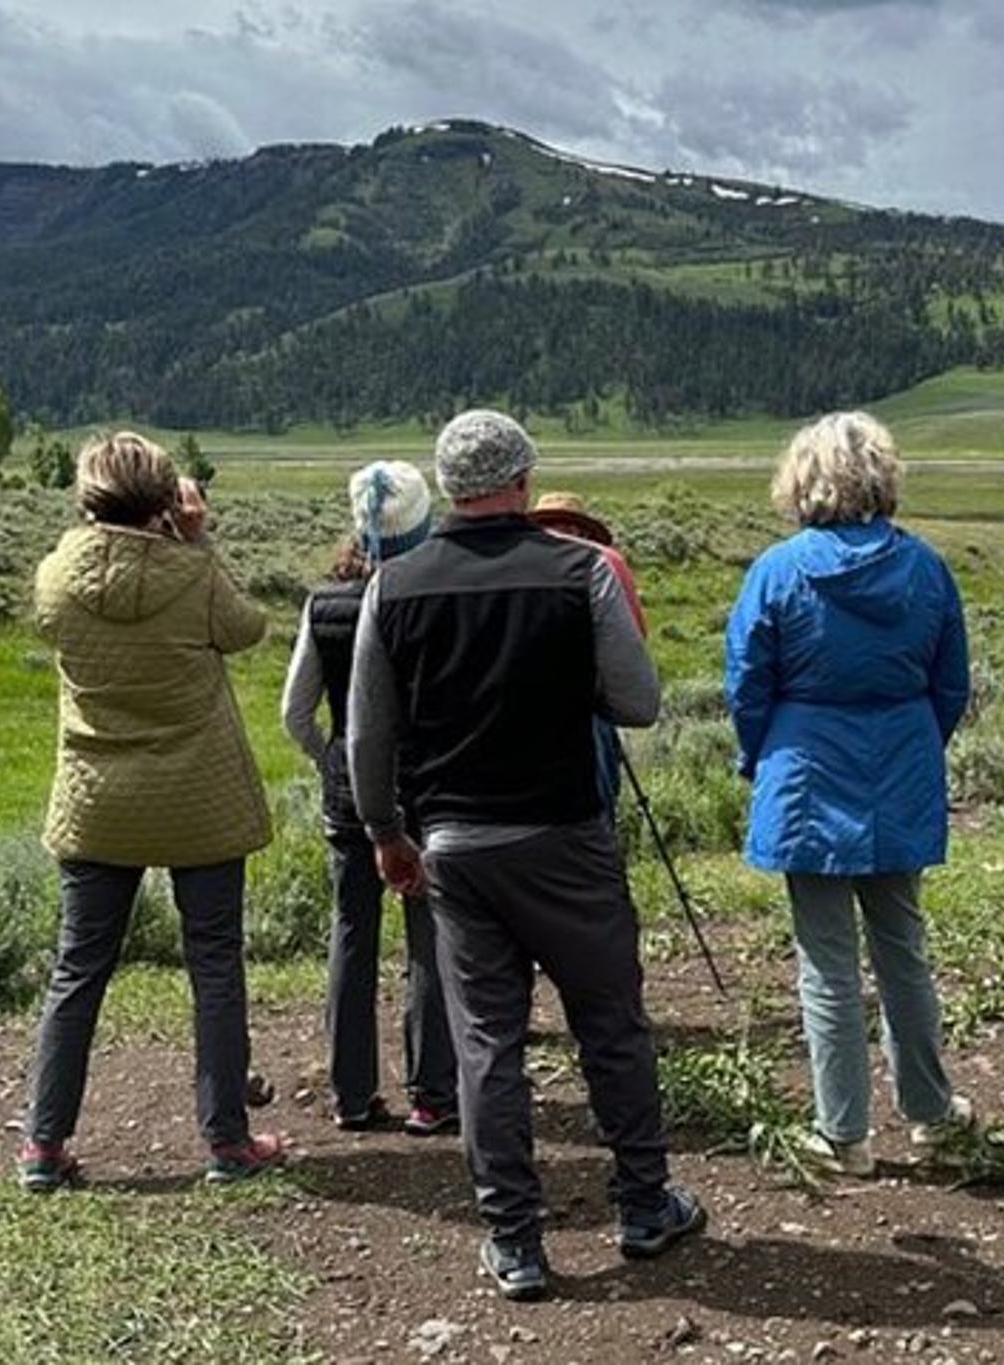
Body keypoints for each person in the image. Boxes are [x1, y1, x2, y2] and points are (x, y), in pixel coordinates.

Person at [348, 410, 705, 1301]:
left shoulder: (393, 587)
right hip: (565, 835)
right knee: (611, 1024)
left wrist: (387, 833)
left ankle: (515, 1240)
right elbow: (638, 701)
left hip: (453, 848)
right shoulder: (580, 570)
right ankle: (643, 1203)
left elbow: (367, 735)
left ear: (449, 487)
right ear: (522, 477)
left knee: (486, 1044)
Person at [20, 431, 285, 1190]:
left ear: (86, 495)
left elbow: (53, 620)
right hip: (200, 797)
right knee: (215, 964)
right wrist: (198, 543)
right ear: (170, 499)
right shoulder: (193, 574)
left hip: (97, 799)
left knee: (78, 969)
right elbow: (249, 629)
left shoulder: (54, 577)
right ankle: (227, 1142)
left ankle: (44, 1145)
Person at [724, 411, 973, 1178]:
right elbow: (950, 683)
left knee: (825, 961)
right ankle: (931, 1113)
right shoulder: (925, 567)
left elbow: (746, 682)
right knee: (904, 948)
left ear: (803, 479)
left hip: (805, 768)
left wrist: (759, 755)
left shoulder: (777, 569)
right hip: (898, 759)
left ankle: (844, 1132)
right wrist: (912, 743)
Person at [282, 461, 458, 1136]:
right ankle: (432, 1093)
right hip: (425, 792)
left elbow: (296, 712)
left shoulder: (323, 601)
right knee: (430, 939)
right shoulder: (432, 597)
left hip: (348, 798)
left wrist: (334, 759)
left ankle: (351, 1093)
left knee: (350, 934)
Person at [530, 490, 644, 812]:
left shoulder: (515, 561)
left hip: (521, 706)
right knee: (596, 806)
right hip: (591, 706)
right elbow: (635, 639)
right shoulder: (608, 562)